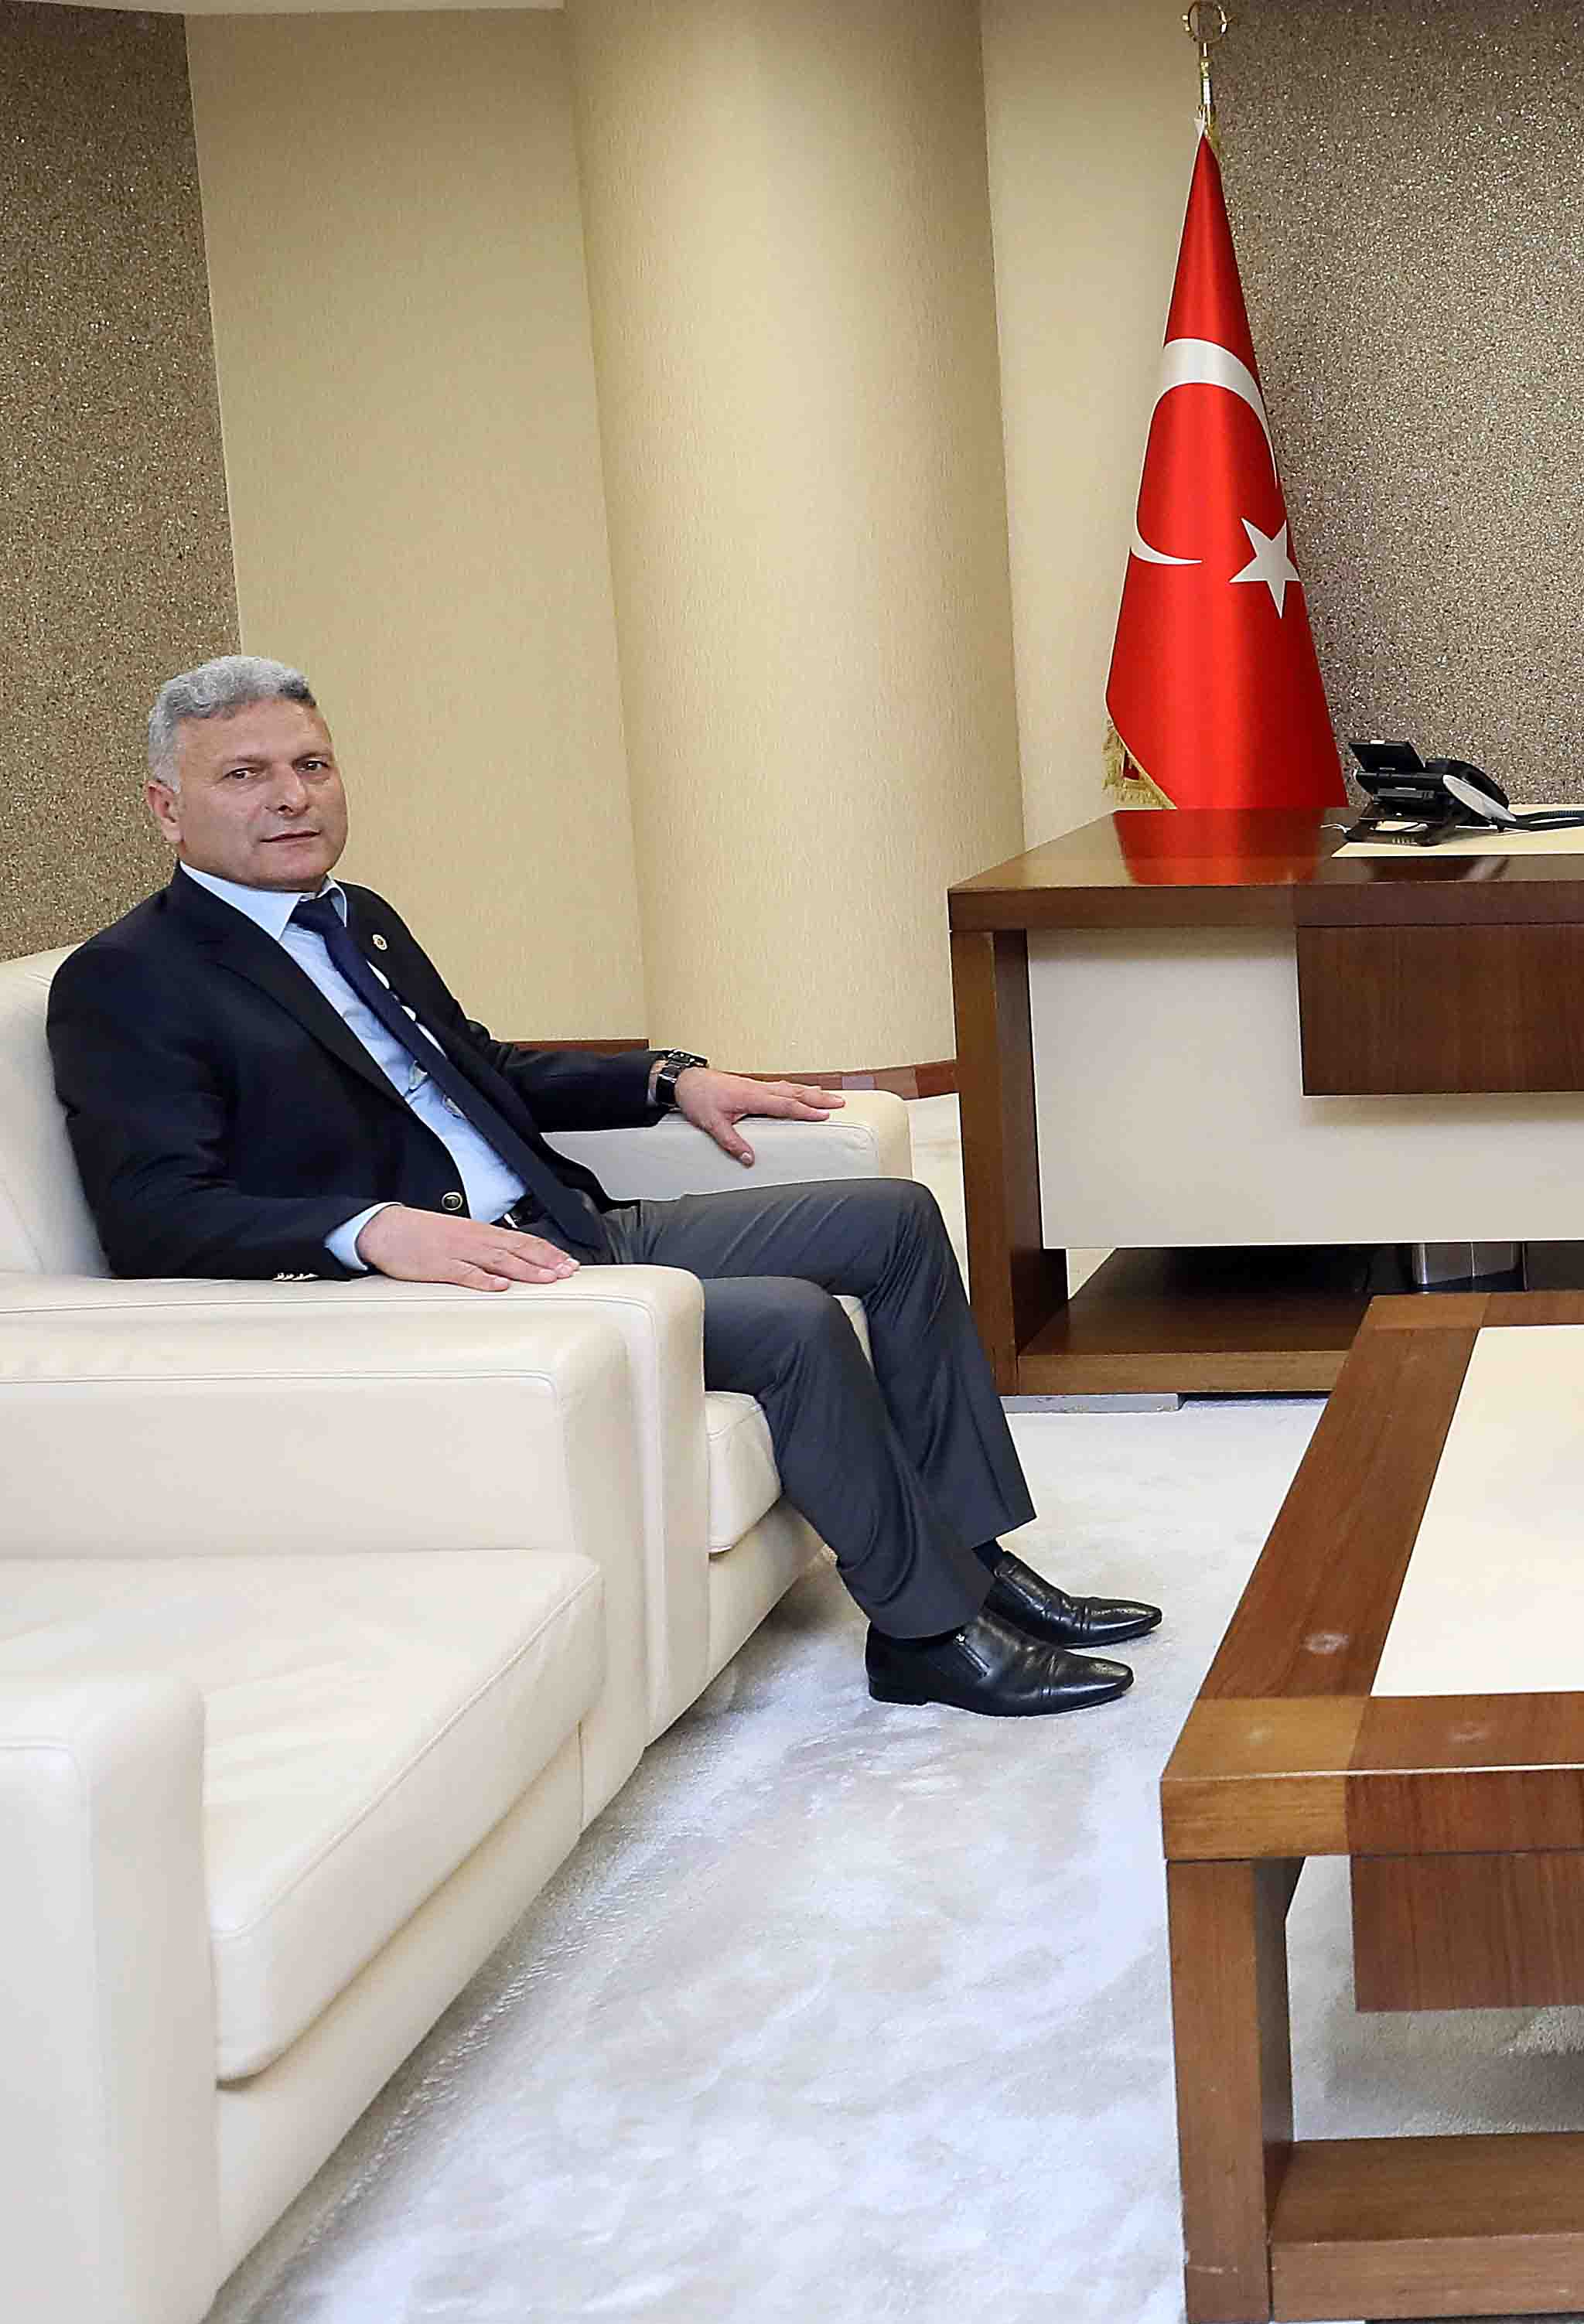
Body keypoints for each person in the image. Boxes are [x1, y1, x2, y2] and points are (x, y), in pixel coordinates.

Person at [49, 657, 1159, 1720]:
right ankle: (925, 1635)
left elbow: (481, 1068)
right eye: (245, 774)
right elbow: (155, 1213)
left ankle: (971, 1556)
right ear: (166, 808)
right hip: (459, 1284)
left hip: (569, 1226)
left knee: (899, 1218)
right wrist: (371, 1230)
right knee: (790, 1321)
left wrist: (669, 1079)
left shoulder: (358, 915)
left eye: (312, 765)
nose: (292, 798)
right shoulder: (129, 979)